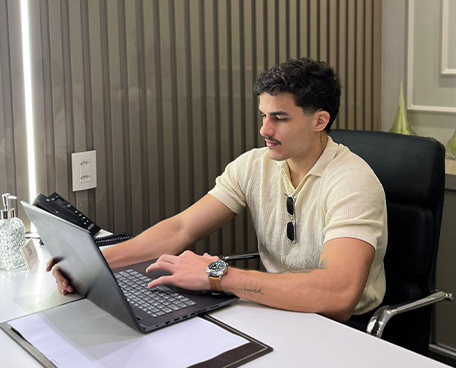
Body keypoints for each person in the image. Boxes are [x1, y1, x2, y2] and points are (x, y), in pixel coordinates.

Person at [48, 57, 387, 323]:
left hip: (341, 329)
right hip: (276, 311)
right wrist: (92, 262)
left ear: (319, 121)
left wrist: (218, 275)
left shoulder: (352, 181)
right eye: (263, 115)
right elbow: (182, 228)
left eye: (279, 118)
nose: (264, 129)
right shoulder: (254, 165)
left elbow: (338, 295)